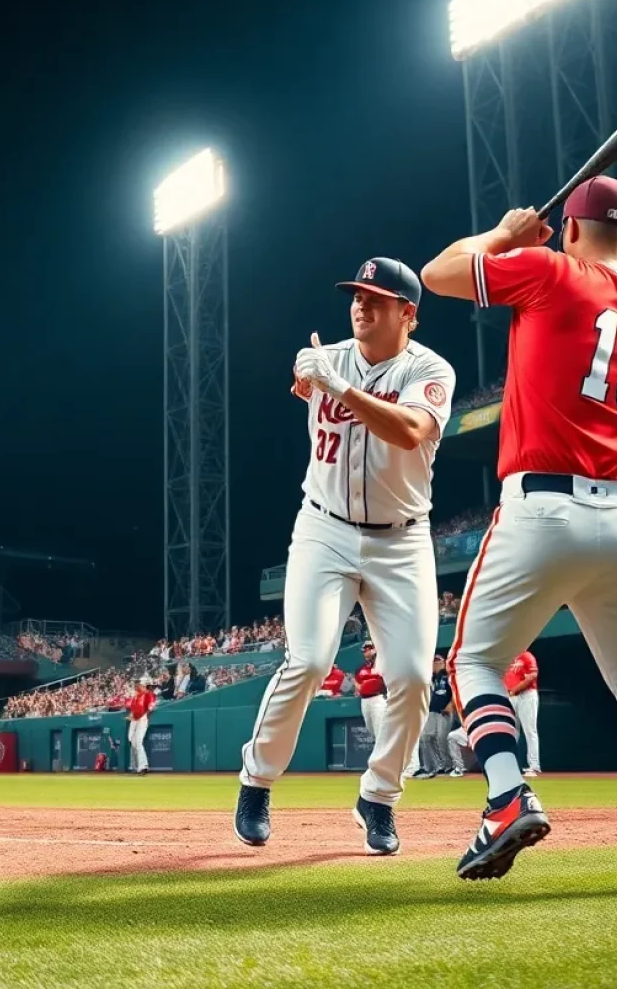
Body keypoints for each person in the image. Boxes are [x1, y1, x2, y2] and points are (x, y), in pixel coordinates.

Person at [422, 175, 617, 880]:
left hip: (545, 506)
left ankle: (505, 797)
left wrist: (506, 236)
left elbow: (437, 274)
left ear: (571, 230)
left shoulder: (553, 271)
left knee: (474, 663)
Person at [235, 257, 456, 855]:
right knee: (307, 661)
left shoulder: (430, 369)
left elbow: (411, 430)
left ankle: (379, 797)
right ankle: (256, 780)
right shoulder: (329, 355)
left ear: (408, 314)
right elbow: (302, 383)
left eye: (376, 299)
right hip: (324, 530)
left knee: (411, 677)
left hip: (401, 540)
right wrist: (307, 376)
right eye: (356, 296)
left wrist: (335, 385)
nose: (361, 305)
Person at [417, 655, 454, 777]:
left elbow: (456, 691)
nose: (435, 664)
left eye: (438, 662)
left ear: (443, 663)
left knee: (441, 739)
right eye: (434, 662)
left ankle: (447, 766)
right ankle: (434, 766)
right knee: (425, 737)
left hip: (444, 711)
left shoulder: (448, 676)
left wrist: (451, 704)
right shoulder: (431, 678)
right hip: (431, 711)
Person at [506, 650, 541, 776]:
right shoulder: (507, 656)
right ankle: (511, 765)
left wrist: (515, 689)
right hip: (511, 696)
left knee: (530, 730)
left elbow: (532, 676)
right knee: (511, 731)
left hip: (526, 695)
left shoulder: (527, 656)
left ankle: (534, 766)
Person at [354, 644, 386, 743]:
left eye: (369, 649)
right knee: (370, 727)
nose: (366, 652)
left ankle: (381, 753)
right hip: (365, 700)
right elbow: (356, 681)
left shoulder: (382, 665)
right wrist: (358, 688)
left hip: (378, 698)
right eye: (365, 650)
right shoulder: (361, 668)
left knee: (379, 728)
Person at [126, 680, 156, 774]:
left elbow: (151, 705)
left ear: (144, 686)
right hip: (134, 720)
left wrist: (149, 709)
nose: (138, 686)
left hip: (142, 719)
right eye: (137, 685)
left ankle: (143, 766)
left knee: (138, 742)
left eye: (140, 685)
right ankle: (135, 766)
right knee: (132, 741)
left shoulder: (148, 694)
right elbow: (131, 707)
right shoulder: (135, 696)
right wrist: (131, 715)